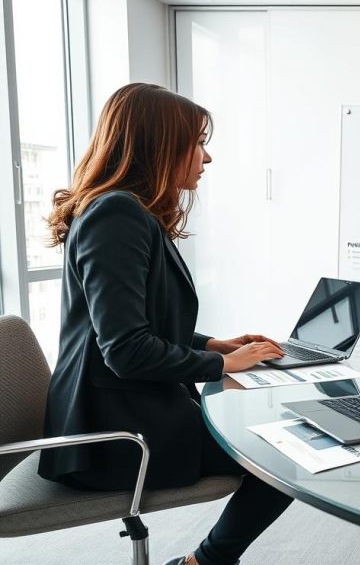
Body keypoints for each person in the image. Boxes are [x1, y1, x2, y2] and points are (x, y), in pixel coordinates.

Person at [39, 83, 290, 565]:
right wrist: (220, 363)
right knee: (283, 457)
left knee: (267, 431)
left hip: (122, 409)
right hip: (114, 437)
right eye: (197, 142)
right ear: (158, 145)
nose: (207, 157)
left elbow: (135, 325)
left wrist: (216, 343)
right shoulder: (116, 215)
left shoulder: (126, 212)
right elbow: (127, 349)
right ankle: (205, 563)